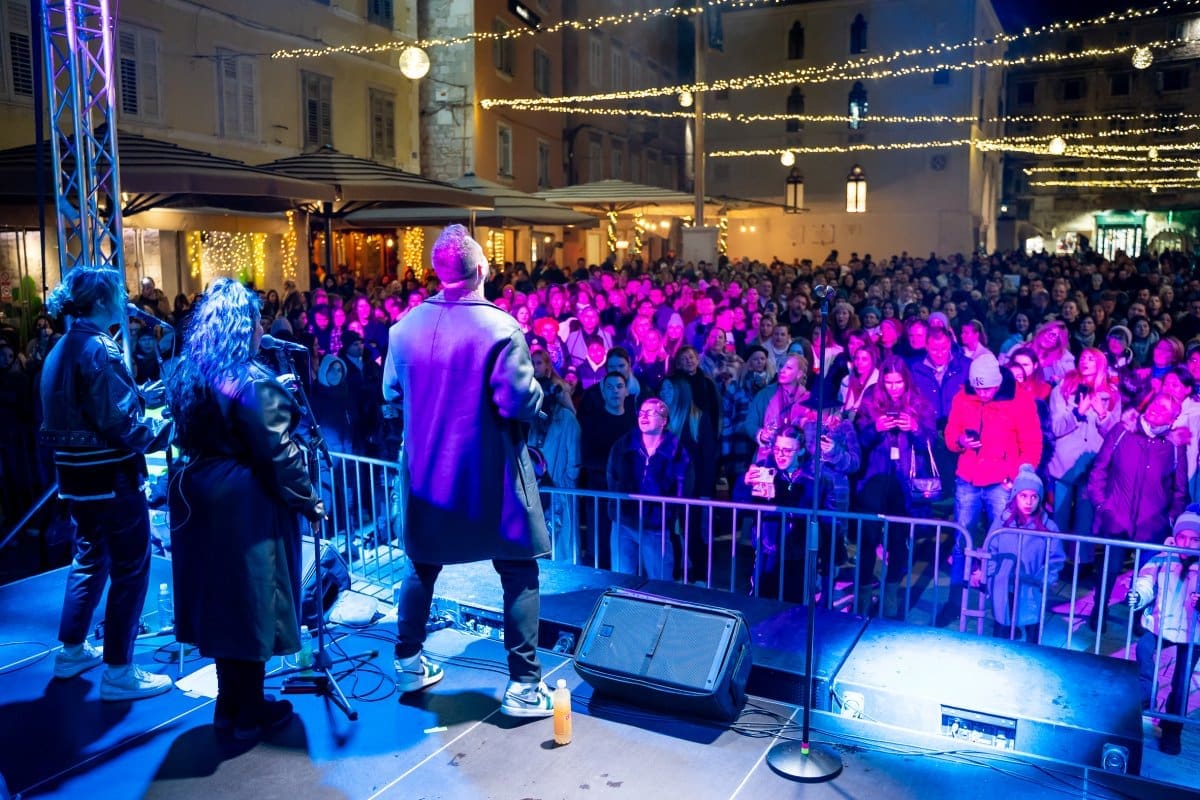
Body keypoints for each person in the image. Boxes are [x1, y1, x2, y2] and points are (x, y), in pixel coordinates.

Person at [382, 225, 555, 718]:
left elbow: (391, 398)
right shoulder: (500, 328)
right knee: (518, 569)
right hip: (491, 476)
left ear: (438, 273)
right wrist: (539, 394)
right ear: (481, 269)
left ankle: (408, 662)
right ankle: (524, 688)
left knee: (421, 563)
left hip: (427, 475)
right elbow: (518, 402)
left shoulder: (402, 329)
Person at [166, 278, 323, 739]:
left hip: (200, 495)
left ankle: (228, 706)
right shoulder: (251, 381)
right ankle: (250, 712)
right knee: (252, 603)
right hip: (243, 504)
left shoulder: (193, 370)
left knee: (222, 604)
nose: (262, 330)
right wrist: (310, 501)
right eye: (257, 322)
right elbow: (279, 453)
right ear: (244, 326)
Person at [40, 266, 174, 700]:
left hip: (76, 480)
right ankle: (119, 670)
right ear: (100, 301)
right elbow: (121, 425)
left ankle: (72, 651)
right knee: (131, 568)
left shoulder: (61, 347)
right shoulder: (101, 348)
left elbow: (86, 409)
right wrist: (167, 427)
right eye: (118, 293)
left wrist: (140, 396)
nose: (125, 300)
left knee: (89, 558)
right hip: (111, 478)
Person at [1127, 508, 1200, 755]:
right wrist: (1138, 595)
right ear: (1175, 537)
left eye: (1194, 539)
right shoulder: (1163, 557)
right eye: (1182, 537)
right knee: (1144, 649)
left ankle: (1172, 730)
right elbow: (1146, 581)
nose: (1186, 544)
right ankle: (1146, 695)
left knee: (1181, 682)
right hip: (1161, 623)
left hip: (1193, 632)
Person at [971, 465, 1065, 643]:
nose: (1028, 502)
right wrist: (988, 575)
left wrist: (1044, 579)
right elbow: (990, 549)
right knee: (1002, 629)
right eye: (1023, 496)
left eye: (1034, 497)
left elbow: (1056, 559)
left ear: (1040, 498)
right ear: (1015, 496)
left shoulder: (1048, 527)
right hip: (1004, 585)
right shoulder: (1003, 522)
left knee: (1032, 633)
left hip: (1031, 587)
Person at [606, 396, 693, 579]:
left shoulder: (676, 450)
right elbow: (612, 475)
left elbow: (684, 485)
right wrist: (620, 502)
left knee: (659, 580)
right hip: (624, 520)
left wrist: (669, 511)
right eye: (642, 412)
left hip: (656, 524)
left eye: (651, 413)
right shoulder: (623, 444)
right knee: (622, 578)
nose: (644, 416)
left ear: (664, 420)